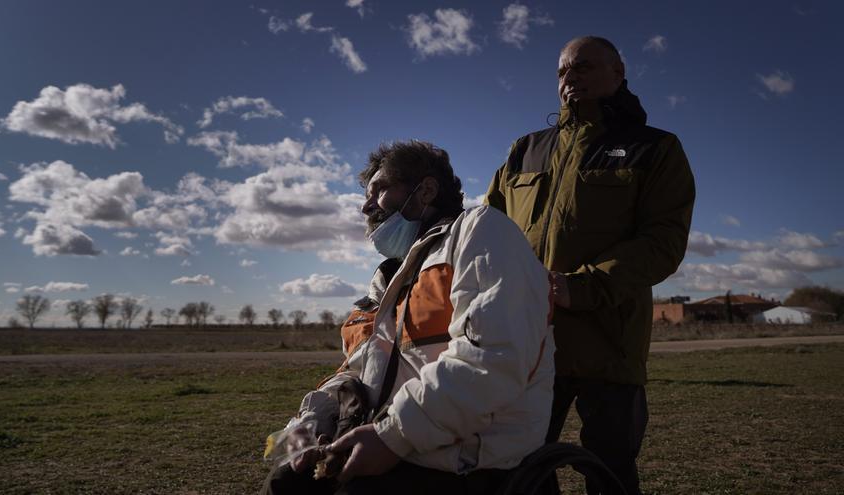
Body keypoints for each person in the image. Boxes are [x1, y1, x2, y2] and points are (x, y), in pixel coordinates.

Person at [267, 141, 554, 495]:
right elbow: (356, 371)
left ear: (426, 190)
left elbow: (492, 357)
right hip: (388, 442)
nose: (365, 205)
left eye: (380, 190)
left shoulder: (481, 232)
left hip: (459, 460)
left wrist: (393, 436)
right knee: (284, 482)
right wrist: (309, 422)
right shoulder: (387, 280)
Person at [485, 36, 695, 494]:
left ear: (618, 74)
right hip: (530, 343)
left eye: (583, 67)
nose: (570, 78)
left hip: (610, 343)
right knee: (518, 465)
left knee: (610, 467)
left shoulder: (654, 148)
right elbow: (488, 234)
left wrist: (579, 287)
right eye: (562, 71)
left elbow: (663, 241)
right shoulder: (525, 149)